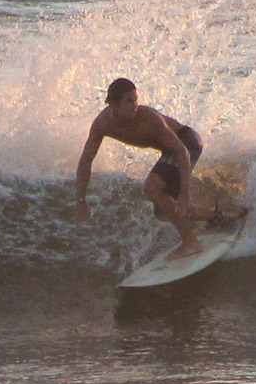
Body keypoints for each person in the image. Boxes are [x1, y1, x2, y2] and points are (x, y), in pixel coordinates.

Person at [74, 77, 216, 260]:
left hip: (186, 143)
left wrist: (184, 193)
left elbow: (182, 152)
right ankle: (218, 216)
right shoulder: (102, 124)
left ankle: (190, 241)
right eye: (129, 101)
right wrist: (81, 200)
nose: (135, 106)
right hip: (172, 150)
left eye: (136, 100)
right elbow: (86, 161)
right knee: (164, 211)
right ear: (113, 105)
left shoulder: (149, 119)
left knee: (152, 188)